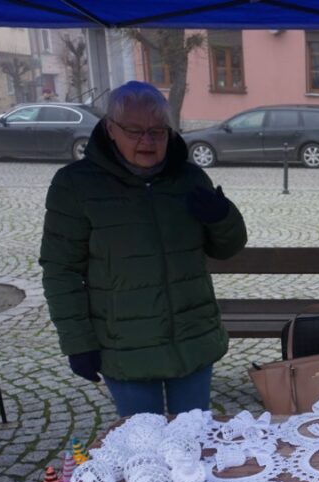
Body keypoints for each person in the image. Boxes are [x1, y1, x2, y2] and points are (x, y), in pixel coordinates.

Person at [40, 81, 248, 417]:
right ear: (111, 129)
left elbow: (228, 247)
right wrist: (78, 343)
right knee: (141, 450)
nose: (147, 141)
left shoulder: (190, 179)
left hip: (192, 338)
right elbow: (60, 270)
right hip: (125, 347)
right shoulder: (76, 185)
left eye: (157, 131)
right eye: (135, 130)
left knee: (193, 444)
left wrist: (222, 217)